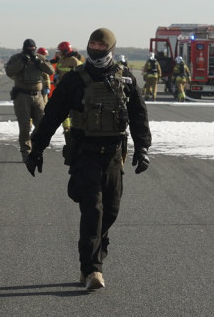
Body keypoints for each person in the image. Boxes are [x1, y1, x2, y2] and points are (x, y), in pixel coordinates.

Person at [24, 28, 151, 291]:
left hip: (115, 154)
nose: (95, 48)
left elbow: (139, 114)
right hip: (85, 153)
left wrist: (143, 148)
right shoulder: (74, 80)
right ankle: (93, 268)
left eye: (101, 44)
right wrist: (36, 148)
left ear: (111, 47)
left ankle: (94, 253)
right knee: (92, 210)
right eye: (92, 43)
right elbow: (52, 116)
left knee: (111, 211)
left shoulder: (125, 78)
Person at [5, 39, 54, 160]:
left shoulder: (40, 58)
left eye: (33, 49)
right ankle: (26, 152)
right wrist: (22, 63)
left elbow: (51, 70)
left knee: (41, 125)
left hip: (38, 96)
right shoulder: (17, 58)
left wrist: (39, 62)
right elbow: (9, 71)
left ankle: (34, 143)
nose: (31, 51)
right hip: (22, 96)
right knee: (25, 126)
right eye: (29, 49)